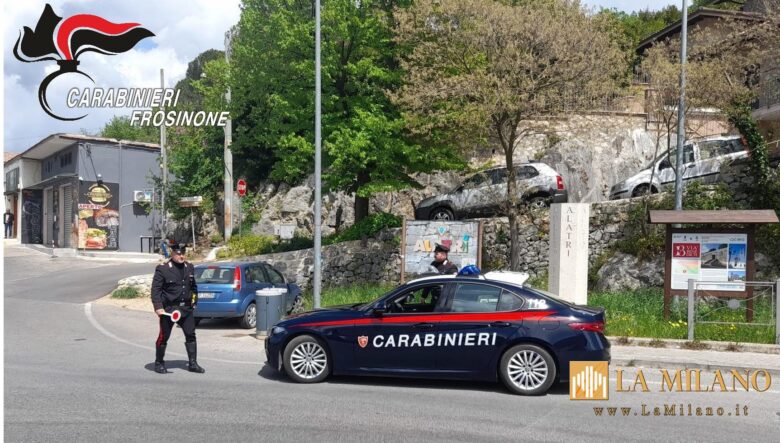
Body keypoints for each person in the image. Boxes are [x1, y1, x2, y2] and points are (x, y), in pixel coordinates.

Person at [151, 243, 204, 374]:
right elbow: (156, 290)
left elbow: (193, 287)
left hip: (186, 308)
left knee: (191, 335)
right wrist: (158, 307)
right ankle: (159, 363)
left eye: (183, 253)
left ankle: (193, 364)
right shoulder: (163, 269)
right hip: (169, 309)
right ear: (172, 253)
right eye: (179, 254)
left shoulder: (189, 267)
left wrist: (194, 302)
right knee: (164, 336)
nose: (181, 256)